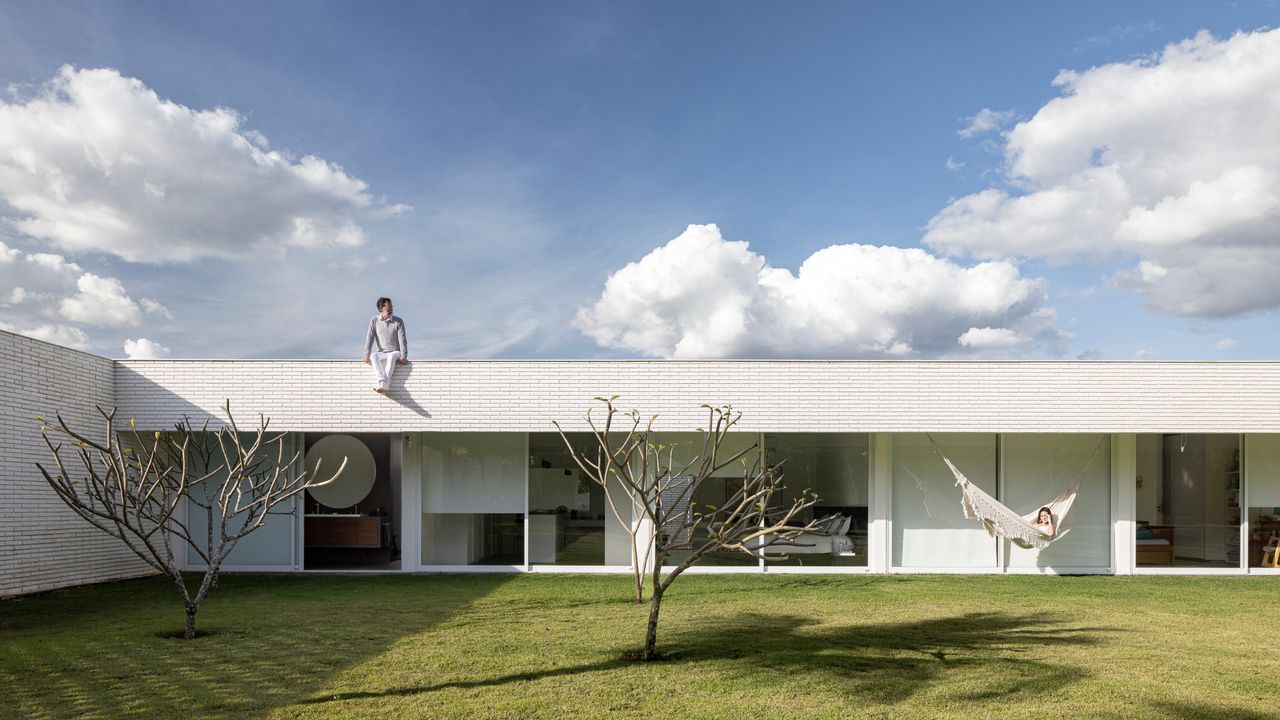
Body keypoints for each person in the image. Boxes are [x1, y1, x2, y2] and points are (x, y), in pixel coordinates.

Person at [362, 297, 407, 394]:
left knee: (391, 356)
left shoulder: (398, 321)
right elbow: (369, 338)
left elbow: (402, 339)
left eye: (391, 306)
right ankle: (383, 381)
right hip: (382, 352)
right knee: (373, 356)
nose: (391, 308)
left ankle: (383, 383)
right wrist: (366, 355)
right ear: (381, 308)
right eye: (389, 305)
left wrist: (404, 355)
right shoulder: (374, 320)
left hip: (396, 352)